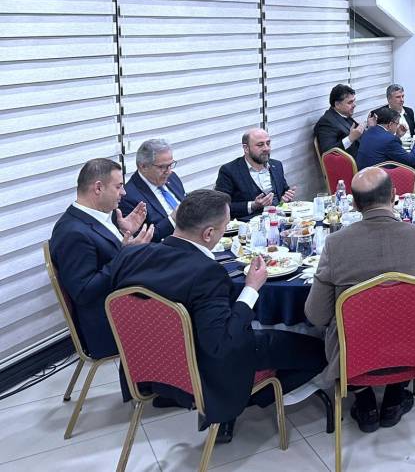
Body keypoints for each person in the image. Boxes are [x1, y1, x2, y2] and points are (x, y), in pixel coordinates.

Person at [107, 189, 326, 441]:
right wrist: (251, 289)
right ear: (209, 234)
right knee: (320, 351)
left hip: (146, 362)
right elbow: (223, 345)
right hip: (203, 370)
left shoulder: (129, 255)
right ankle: (247, 399)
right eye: (226, 226)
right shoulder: (207, 273)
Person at [305, 167, 415, 431]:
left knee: (340, 326)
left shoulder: (336, 244)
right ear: (394, 195)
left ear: (354, 204)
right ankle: (395, 396)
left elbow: (316, 314)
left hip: (355, 354)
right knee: (407, 321)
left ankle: (364, 400)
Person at [49, 158, 155, 360]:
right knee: (189, 314)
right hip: (110, 324)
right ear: (98, 188)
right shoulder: (73, 233)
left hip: (124, 303)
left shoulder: (100, 217)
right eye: (118, 186)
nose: (124, 193)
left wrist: (125, 233)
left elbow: (106, 256)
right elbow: (83, 291)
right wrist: (125, 254)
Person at [215, 128, 294, 220]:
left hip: (278, 220)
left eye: (268, 143)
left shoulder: (277, 165)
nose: (266, 148)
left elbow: (283, 193)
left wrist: (284, 200)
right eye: (260, 145)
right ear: (246, 148)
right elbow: (220, 207)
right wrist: (253, 205)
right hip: (248, 224)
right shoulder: (229, 171)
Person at [120, 138, 185, 241]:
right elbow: (141, 240)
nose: (168, 172)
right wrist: (173, 219)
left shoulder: (172, 178)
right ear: (143, 166)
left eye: (170, 165)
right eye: (162, 167)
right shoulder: (127, 197)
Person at [355, 106, 415, 170]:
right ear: (390, 124)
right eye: (397, 123)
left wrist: (398, 135)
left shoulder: (368, 131)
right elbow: (410, 160)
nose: (398, 126)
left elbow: (384, 147)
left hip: (362, 174)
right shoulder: (390, 140)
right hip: (378, 176)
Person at [314, 83, 365, 159]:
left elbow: (359, 134)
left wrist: (370, 127)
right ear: (337, 104)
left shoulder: (344, 114)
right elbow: (328, 153)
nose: (354, 105)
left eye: (354, 101)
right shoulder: (326, 122)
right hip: (354, 163)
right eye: (350, 102)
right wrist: (350, 138)